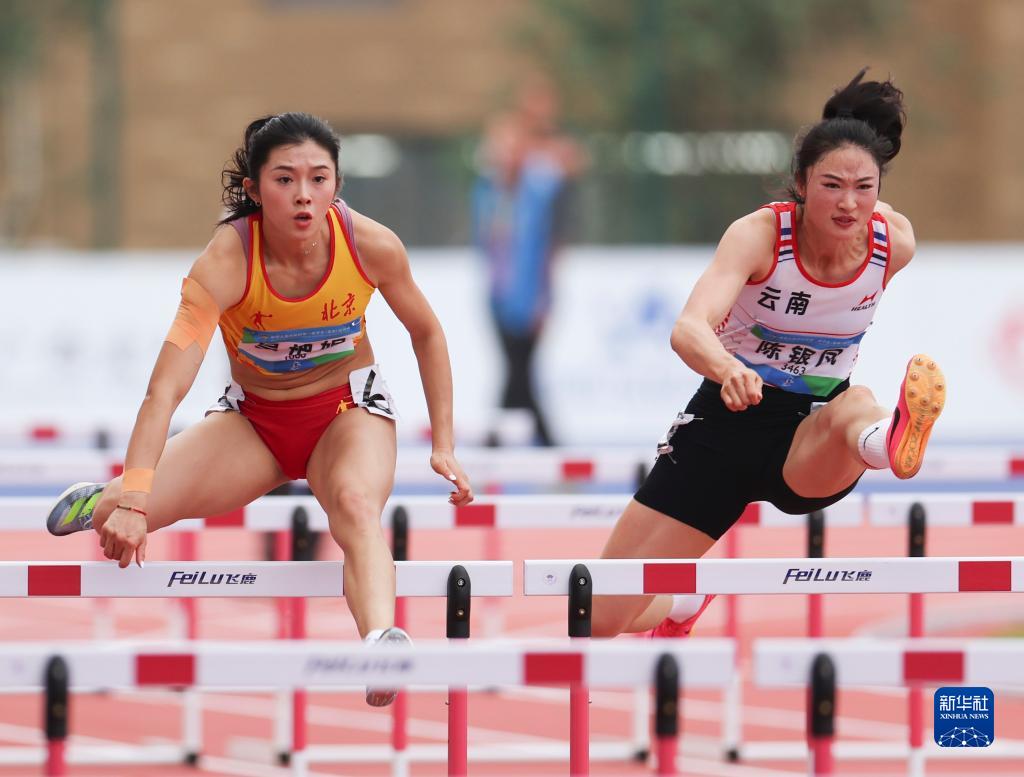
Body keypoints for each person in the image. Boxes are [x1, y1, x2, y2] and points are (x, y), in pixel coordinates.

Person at [46, 112, 474, 705]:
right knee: (117, 515)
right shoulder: (224, 263)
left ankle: (381, 645)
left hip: (347, 412)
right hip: (255, 424)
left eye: (319, 178)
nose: (304, 195)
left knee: (355, 506)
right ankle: (103, 495)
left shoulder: (371, 245)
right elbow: (164, 391)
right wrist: (135, 501)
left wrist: (443, 443)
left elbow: (427, 332)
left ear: (337, 184)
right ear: (253, 189)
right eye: (284, 179)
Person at [591, 70, 945, 638]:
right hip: (726, 425)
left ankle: (891, 440)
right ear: (801, 183)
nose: (849, 204)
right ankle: (682, 603)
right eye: (832, 185)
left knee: (856, 404)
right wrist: (728, 367)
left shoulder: (892, 244)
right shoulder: (759, 236)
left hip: (811, 436)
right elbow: (688, 328)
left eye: (864, 187)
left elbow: (861, 196)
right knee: (596, 617)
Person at [472, 77, 587, 445]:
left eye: (511, 147)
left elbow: (571, 163)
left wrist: (543, 299)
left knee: (519, 371)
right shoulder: (487, 192)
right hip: (498, 295)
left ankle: (507, 440)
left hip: (531, 295)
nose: (504, 154)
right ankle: (524, 440)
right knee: (516, 370)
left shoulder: (539, 190)